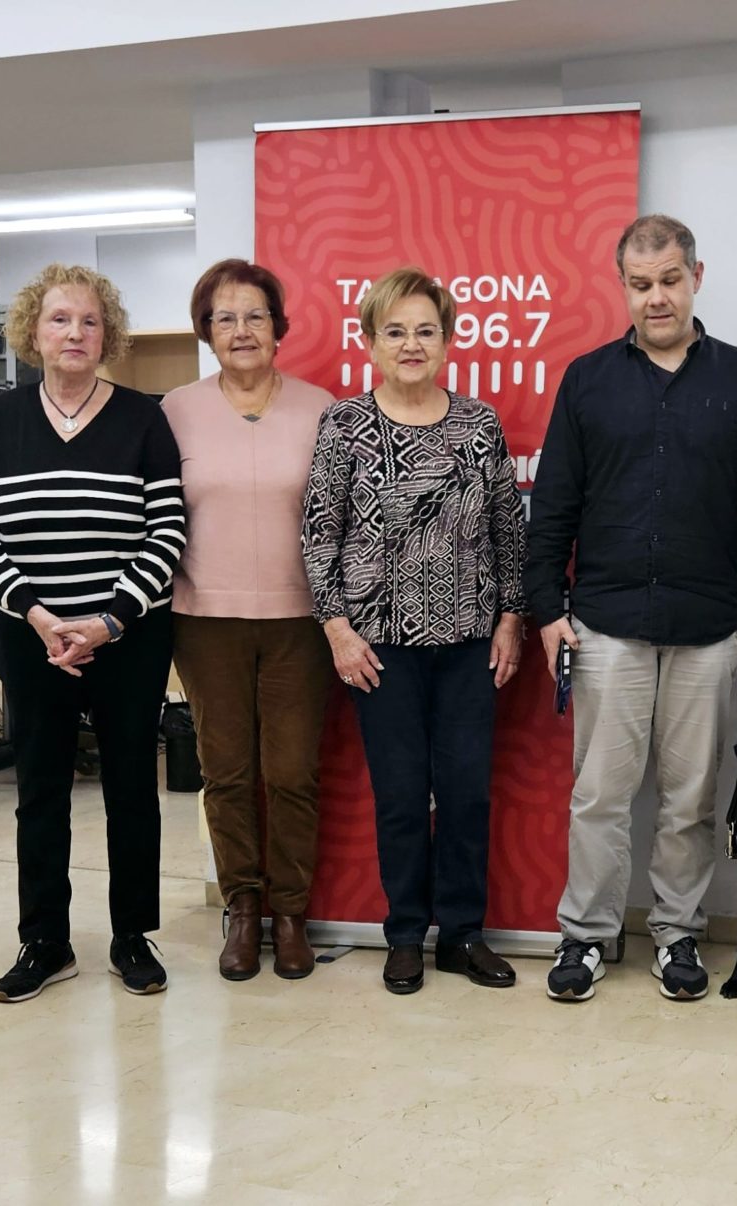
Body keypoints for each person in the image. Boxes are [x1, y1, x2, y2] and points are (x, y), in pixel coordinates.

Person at [526, 213, 737, 1004]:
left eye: (670, 280)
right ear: (624, 287)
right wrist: (549, 611)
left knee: (690, 798)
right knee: (601, 798)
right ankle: (587, 935)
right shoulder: (587, 380)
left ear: (697, 277)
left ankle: (677, 933)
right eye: (641, 285)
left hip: (709, 628)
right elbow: (554, 508)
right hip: (605, 623)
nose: (657, 298)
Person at [303, 266, 526, 995]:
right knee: (401, 795)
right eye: (394, 331)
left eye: (424, 330)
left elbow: (507, 532)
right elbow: (318, 534)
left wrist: (511, 619)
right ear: (368, 340)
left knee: (465, 793)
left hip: (469, 639)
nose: (410, 344)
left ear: (449, 339)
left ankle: (461, 935)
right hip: (378, 646)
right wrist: (336, 630)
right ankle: (404, 936)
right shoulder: (344, 424)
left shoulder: (478, 424)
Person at [0, 264, 185, 1002]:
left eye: (90, 321)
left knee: (133, 787)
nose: (75, 333)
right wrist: (38, 616)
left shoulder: (143, 417)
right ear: (33, 331)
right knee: (40, 790)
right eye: (60, 319)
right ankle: (46, 942)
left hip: (127, 639)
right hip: (33, 641)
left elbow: (167, 532)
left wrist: (106, 622)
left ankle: (133, 937)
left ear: (108, 336)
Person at [163, 259, 335, 982]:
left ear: (277, 327)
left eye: (254, 316)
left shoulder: (322, 407)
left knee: (293, 772)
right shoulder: (173, 410)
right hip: (204, 619)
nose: (241, 330)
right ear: (206, 330)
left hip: (302, 621)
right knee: (227, 773)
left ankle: (290, 913)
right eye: (225, 317)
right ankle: (242, 908)